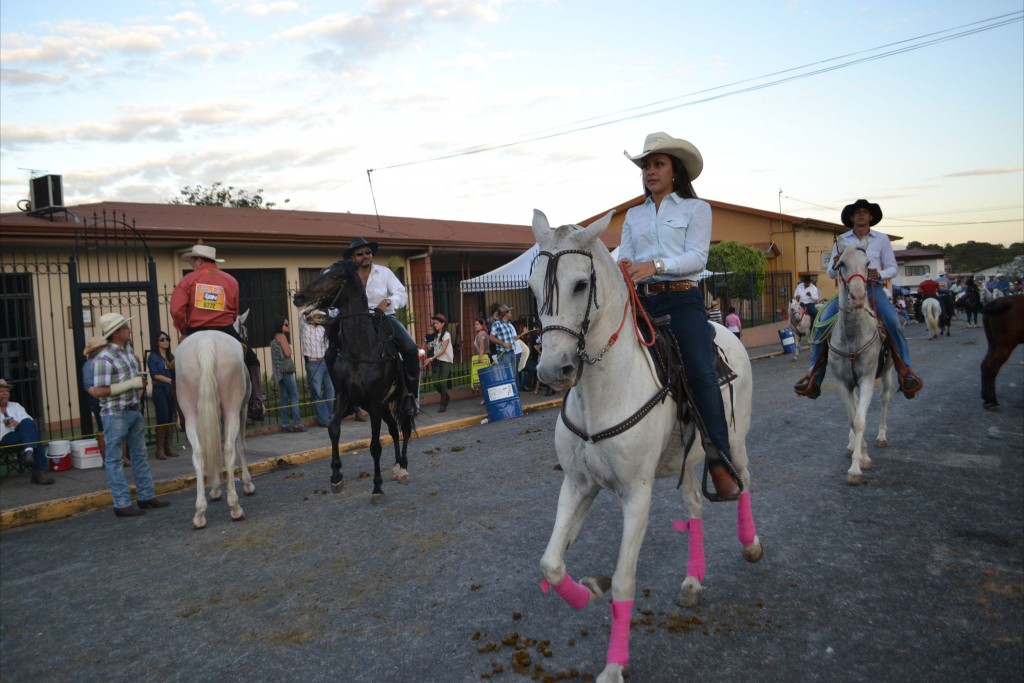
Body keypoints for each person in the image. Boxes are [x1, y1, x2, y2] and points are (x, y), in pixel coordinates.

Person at [617, 131, 740, 500]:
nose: (650, 171)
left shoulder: (695, 209)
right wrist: (624, 267)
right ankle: (587, 440)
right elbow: (625, 255)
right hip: (643, 301)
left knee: (701, 370)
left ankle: (720, 461)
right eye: (646, 166)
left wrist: (654, 265)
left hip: (683, 299)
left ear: (675, 171)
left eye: (658, 164)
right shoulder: (633, 215)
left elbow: (697, 258)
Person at [794, 199, 924, 400]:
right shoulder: (841, 240)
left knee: (892, 322)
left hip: (873, 290)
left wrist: (878, 274)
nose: (861, 215)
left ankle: (905, 372)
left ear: (871, 217)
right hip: (846, 293)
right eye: (857, 212)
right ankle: (814, 378)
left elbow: (893, 267)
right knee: (820, 326)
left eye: (865, 212)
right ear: (852, 217)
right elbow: (830, 273)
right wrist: (835, 264)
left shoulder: (881, 239)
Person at [169, 243, 265, 421]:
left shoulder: (187, 281)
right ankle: (256, 403)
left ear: (198, 261)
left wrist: (183, 330)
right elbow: (235, 312)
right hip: (226, 330)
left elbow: (176, 310)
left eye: (192, 261)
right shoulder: (231, 280)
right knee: (253, 360)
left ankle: (182, 415)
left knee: (175, 368)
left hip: (195, 330)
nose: (192, 264)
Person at [92, 312, 170, 517]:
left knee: (140, 455)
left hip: (133, 410)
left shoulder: (128, 353)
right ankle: (121, 503)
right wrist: (130, 384)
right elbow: (99, 390)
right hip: (115, 413)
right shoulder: (104, 358)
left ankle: (145, 496)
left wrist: (139, 385)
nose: (129, 329)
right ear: (117, 332)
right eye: (125, 327)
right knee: (115, 459)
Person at [344, 236, 421, 417]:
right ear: (353, 258)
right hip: (356, 322)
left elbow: (401, 293)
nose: (365, 256)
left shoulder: (384, 273)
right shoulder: (347, 277)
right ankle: (346, 398)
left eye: (368, 252)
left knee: (410, 348)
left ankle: (409, 395)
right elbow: (339, 302)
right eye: (360, 253)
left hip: (384, 318)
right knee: (334, 351)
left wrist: (387, 301)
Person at [0, 378, 54, 485]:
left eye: (7, 391)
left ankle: (28, 451)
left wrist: (18, 424)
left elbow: (27, 422)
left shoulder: (16, 406)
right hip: (4, 439)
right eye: (1, 391)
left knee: (27, 422)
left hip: (20, 436)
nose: (5, 394)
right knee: (34, 437)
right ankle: (37, 472)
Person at [299, 309, 336, 427]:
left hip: (325, 362)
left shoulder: (322, 329)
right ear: (311, 316)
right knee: (317, 392)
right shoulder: (304, 328)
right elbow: (300, 314)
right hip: (313, 363)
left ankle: (331, 417)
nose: (320, 318)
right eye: (317, 316)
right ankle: (324, 420)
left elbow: (327, 346)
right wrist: (311, 308)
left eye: (320, 316)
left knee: (330, 390)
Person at [147, 330, 178, 460]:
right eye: (162, 339)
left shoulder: (171, 357)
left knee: (171, 417)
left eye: (167, 339)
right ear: (157, 342)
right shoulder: (153, 357)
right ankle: (159, 450)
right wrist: (171, 381)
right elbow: (155, 375)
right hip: (160, 390)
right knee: (163, 418)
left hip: (171, 390)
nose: (165, 341)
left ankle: (168, 447)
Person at [82, 334, 108, 459]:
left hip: (107, 398)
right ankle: (107, 458)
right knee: (104, 427)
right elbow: (88, 386)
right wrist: (102, 397)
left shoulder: (105, 362)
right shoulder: (89, 365)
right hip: (99, 400)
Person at [421, 313, 453, 412]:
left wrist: (431, 358)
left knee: (443, 383)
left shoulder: (446, 334)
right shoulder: (435, 335)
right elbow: (431, 346)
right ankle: (446, 395)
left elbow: (443, 350)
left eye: (437, 323)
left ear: (443, 324)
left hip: (445, 360)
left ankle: (443, 404)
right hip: (436, 361)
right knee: (435, 383)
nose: (435, 325)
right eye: (435, 323)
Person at [487, 304, 517, 373]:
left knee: (513, 375)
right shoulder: (497, 324)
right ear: (505, 314)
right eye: (509, 312)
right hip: (503, 353)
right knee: (506, 374)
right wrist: (503, 343)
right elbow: (491, 337)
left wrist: (522, 335)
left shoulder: (509, 324)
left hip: (512, 351)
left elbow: (512, 338)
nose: (510, 314)